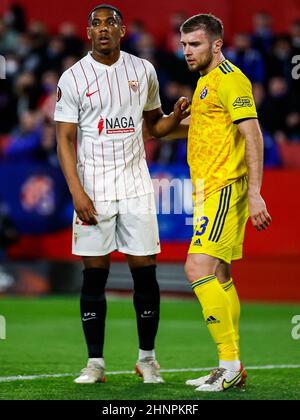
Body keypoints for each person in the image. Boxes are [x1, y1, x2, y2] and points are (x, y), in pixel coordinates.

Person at [54, 4, 189, 385]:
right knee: (94, 277)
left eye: (110, 23)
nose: (102, 30)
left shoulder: (143, 70)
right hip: (92, 190)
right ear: (87, 32)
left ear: (122, 30)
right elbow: (64, 139)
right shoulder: (74, 77)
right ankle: (95, 364)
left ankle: (147, 359)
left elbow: (154, 128)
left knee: (145, 274)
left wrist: (175, 119)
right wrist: (76, 191)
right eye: (96, 24)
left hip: (135, 187)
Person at [173, 14, 272, 392]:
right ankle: (230, 365)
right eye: (183, 45)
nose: (187, 51)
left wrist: (257, 192)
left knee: (197, 267)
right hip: (208, 190)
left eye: (194, 44)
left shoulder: (231, 79)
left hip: (224, 187)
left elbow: (253, 134)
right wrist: (159, 124)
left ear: (216, 44)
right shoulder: (204, 83)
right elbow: (204, 128)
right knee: (221, 275)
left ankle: (229, 365)